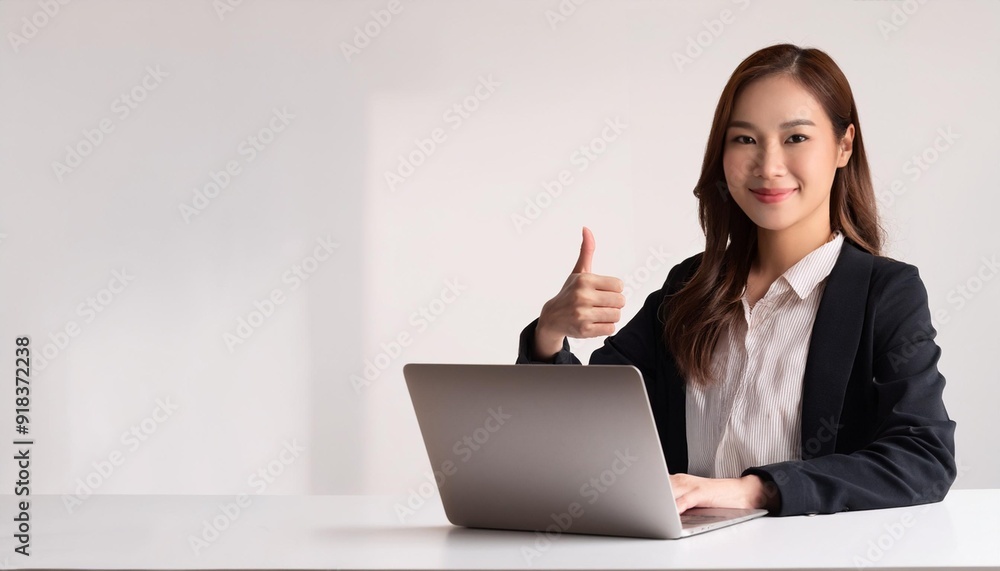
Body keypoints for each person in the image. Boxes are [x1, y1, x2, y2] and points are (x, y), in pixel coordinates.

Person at [515, 43, 957, 517]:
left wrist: (754, 490)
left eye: (796, 138)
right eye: (744, 139)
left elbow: (923, 457)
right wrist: (549, 332)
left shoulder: (884, 294)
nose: (768, 167)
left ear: (844, 145)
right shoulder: (691, 286)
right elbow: (582, 427)